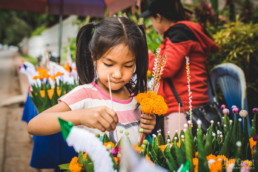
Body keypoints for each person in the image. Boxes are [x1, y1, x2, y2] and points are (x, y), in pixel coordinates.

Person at [28, 17, 156, 145]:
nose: (117, 74)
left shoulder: (138, 96)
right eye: (108, 64)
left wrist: (147, 125)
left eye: (128, 66)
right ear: (94, 57)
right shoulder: (85, 94)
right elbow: (34, 125)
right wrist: (81, 116)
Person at [140, 0, 219, 138]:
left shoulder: (179, 33)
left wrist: (143, 56)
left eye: (151, 19)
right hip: (184, 104)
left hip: (184, 106)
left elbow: (165, 67)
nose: (152, 24)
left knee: (178, 156)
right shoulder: (179, 33)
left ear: (158, 17)